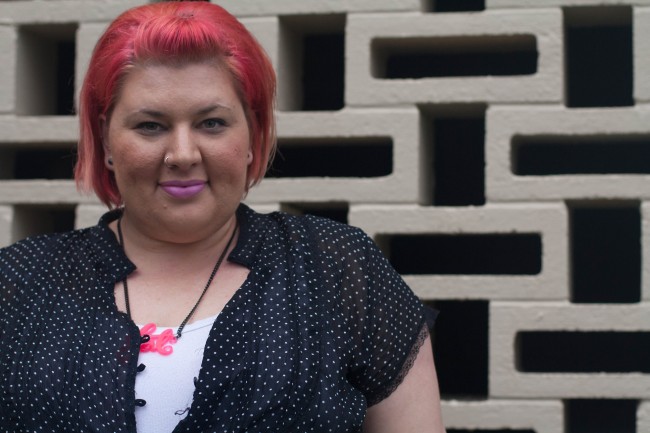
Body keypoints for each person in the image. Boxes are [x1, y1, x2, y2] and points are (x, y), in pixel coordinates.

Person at [0, 2, 445, 432]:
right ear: (107, 139)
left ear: (252, 133)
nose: (182, 154)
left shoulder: (335, 270)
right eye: (150, 126)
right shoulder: (18, 282)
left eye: (211, 123)